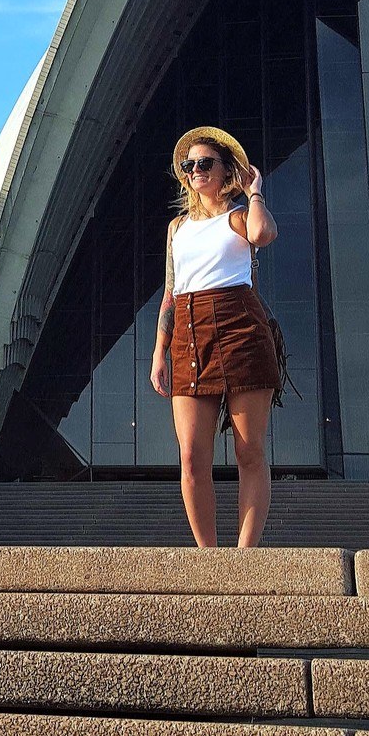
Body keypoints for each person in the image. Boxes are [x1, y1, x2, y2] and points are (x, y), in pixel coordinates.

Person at [150, 127, 283, 549]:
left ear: (227, 170)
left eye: (205, 163)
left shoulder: (240, 216)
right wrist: (159, 352)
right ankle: (209, 558)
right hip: (188, 332)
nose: (195, 171)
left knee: (249, 452)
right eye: (188, 166)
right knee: (191, 456)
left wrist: (255, 191)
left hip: (239, 325)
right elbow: (171, 291)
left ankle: (244, 557)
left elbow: (264, 235)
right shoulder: (177, 228)